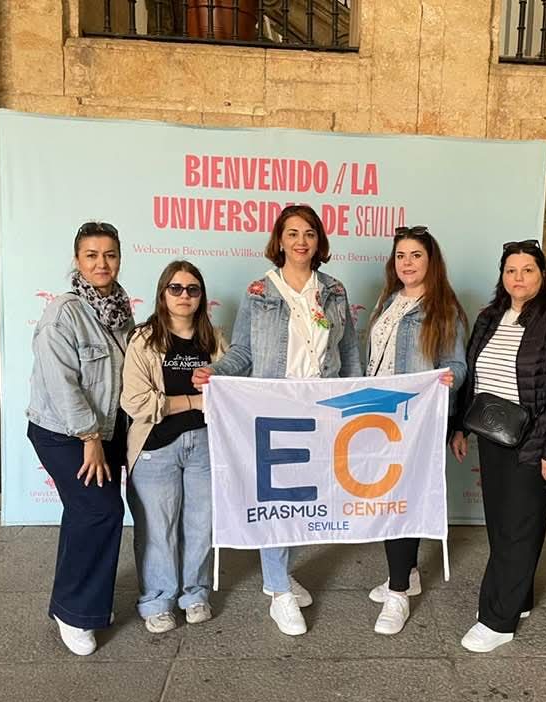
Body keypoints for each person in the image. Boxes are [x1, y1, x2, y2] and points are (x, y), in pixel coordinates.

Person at [192, 204, 362, 636]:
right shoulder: (259, 291)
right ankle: (278, 592)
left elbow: (348, 351)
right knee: (276, 497)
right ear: (279, 240)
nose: (301, 241)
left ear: (319, 241)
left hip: (322, 406)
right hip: (274, 405)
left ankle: (280, 575)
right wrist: (216, 371)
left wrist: (356, 401)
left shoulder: (334, 290)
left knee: (305, 496)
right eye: (292, 233)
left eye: (309, 233)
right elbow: (244, 351)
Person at [451, 240, 546, 653]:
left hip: (535, 440)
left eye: (528, 270)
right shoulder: (491, 317)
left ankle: (497, 620)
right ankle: (519, 598)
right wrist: (460, 427)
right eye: (511, 270)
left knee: (519, 530)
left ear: (542, 275)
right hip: (493, 435)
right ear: (502, 276)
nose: (519, 278)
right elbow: (473, 377)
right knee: (501, 526)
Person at [26, 221, 134, 656]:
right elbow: (61, 383)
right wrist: (90, 437)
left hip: (106, 428)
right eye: (91, 255)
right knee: (100, 509)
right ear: (77, 260)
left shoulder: (119, 310)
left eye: (109, 254)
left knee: (83, 511)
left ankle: (69, 602)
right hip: (64, 431)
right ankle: (76, 614)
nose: (101, 263)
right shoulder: (63, 313)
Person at [364, 226, 468, 635]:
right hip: (378, 418)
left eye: (416, 255)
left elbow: (457, 365)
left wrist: (446, 381)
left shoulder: (444, 309)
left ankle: (398, 593)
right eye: (401, 255)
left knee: (400, 503)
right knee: (388, 498)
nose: (407, 263)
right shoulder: (387, 302)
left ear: (431, 261)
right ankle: (407, 573)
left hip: (416, 421)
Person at [121, 261, 228, 634]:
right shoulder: (143, 340)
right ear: (163, 293)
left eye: (192, 289)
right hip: (155, 447)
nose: (184, 295)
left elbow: (230, 391)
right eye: (176, 288)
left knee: (201, 525)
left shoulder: (215, 339)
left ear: (201, 296)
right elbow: (136, 402)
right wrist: (195, 401)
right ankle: (157, 600)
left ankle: (194, 594)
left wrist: (211, 393)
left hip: (205, 446)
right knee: (157, 528)